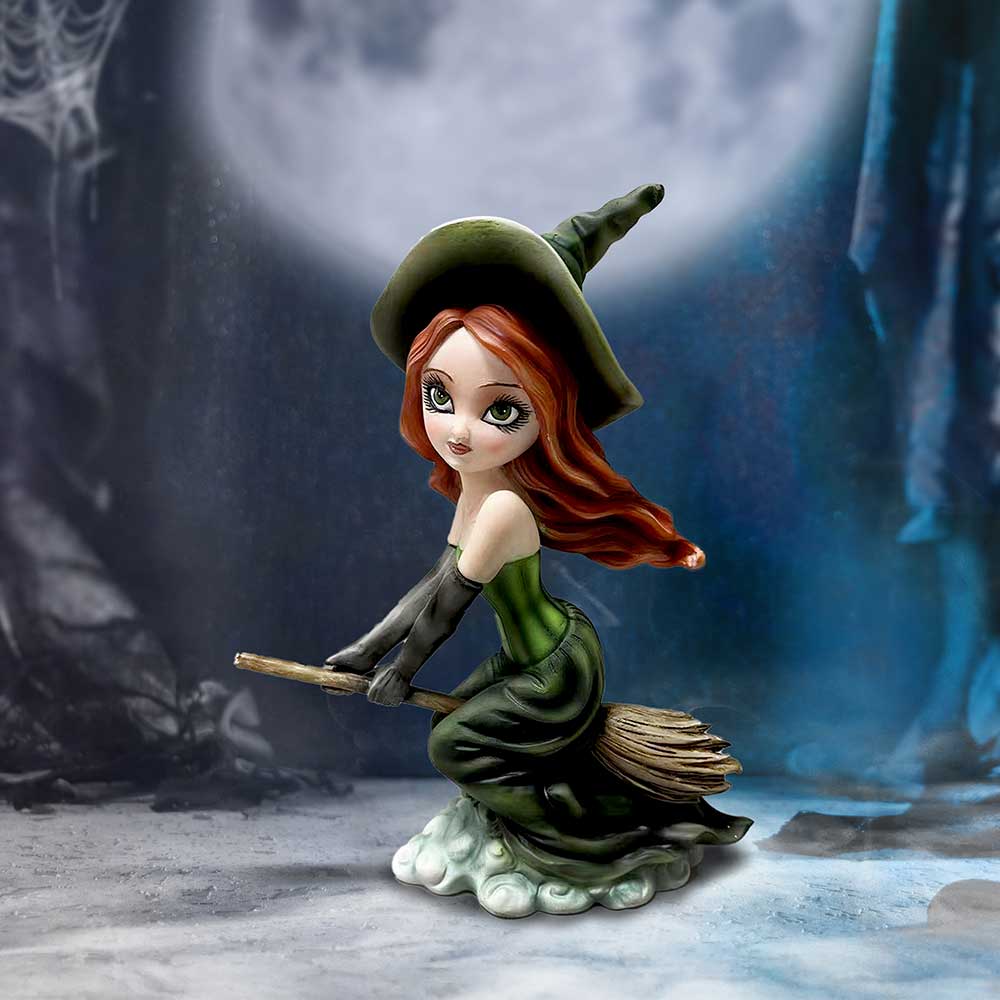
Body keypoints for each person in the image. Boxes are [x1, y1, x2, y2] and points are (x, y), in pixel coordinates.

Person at [325, 186, 751, 916]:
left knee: (454, 747)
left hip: (556, 668)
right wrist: (365, 652)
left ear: (546, 415)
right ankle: (539, 810)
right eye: (439, 397)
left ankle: (574, 837)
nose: (459, 430)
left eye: (499, 409)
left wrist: (401, 672)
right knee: (451, 721)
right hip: (532, 655)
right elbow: (431, 585)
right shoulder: (478, 487)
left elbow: (447, 608)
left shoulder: (501, 508)